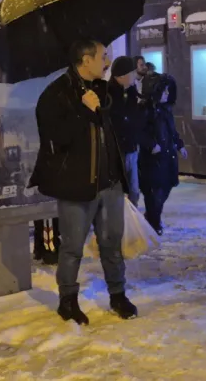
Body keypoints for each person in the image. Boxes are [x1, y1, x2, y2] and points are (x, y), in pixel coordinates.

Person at [28, 39, 137, 325]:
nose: (107, 61)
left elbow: (115, 126)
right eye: (103, 56)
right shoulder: (56, 94)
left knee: (112, 242)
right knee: (73, 246)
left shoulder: (103, 88)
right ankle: (68, 301)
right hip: (76, 187)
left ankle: (118, 295)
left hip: (110, 183)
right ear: (86, 60)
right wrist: (83, 110)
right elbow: (56, 138)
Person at [139, 74, 187, 235]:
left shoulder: (166, 111)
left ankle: (153, 219)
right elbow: (139, 131)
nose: (167, 94)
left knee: (164, 189)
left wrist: (180, 146)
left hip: (167, 157)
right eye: (164, 91)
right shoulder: (146, 110)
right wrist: (151, 145)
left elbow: (172, 131)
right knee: (154, 194)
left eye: (168, 91)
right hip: (153, 160)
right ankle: (153, 222)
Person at [108, 56, 143, 207]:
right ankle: (120, 223)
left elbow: (135, 119)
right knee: (118, 192)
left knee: (134, 191)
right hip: (117, 151)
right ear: (121, 76)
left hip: (131, 148)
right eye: (132, 72)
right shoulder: (108, 95)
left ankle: (131, 222)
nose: (134, 76)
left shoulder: (132, 93)